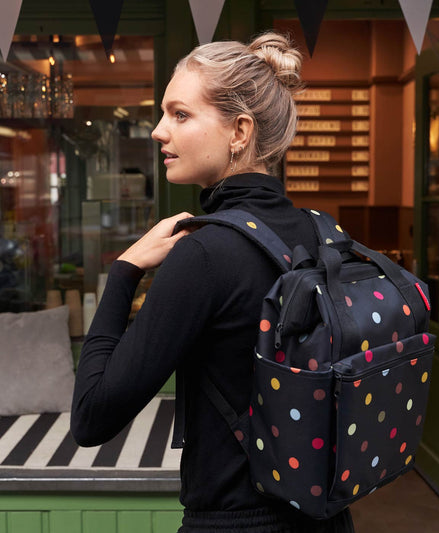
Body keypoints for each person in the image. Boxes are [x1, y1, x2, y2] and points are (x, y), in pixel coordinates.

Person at [71, 32, 355, 533]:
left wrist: (125, 269)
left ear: (239, 131)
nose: (158, 131)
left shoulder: (204, 255)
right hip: (328, 517)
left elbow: (92, 417)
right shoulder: (322, 233)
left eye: (180, 114)